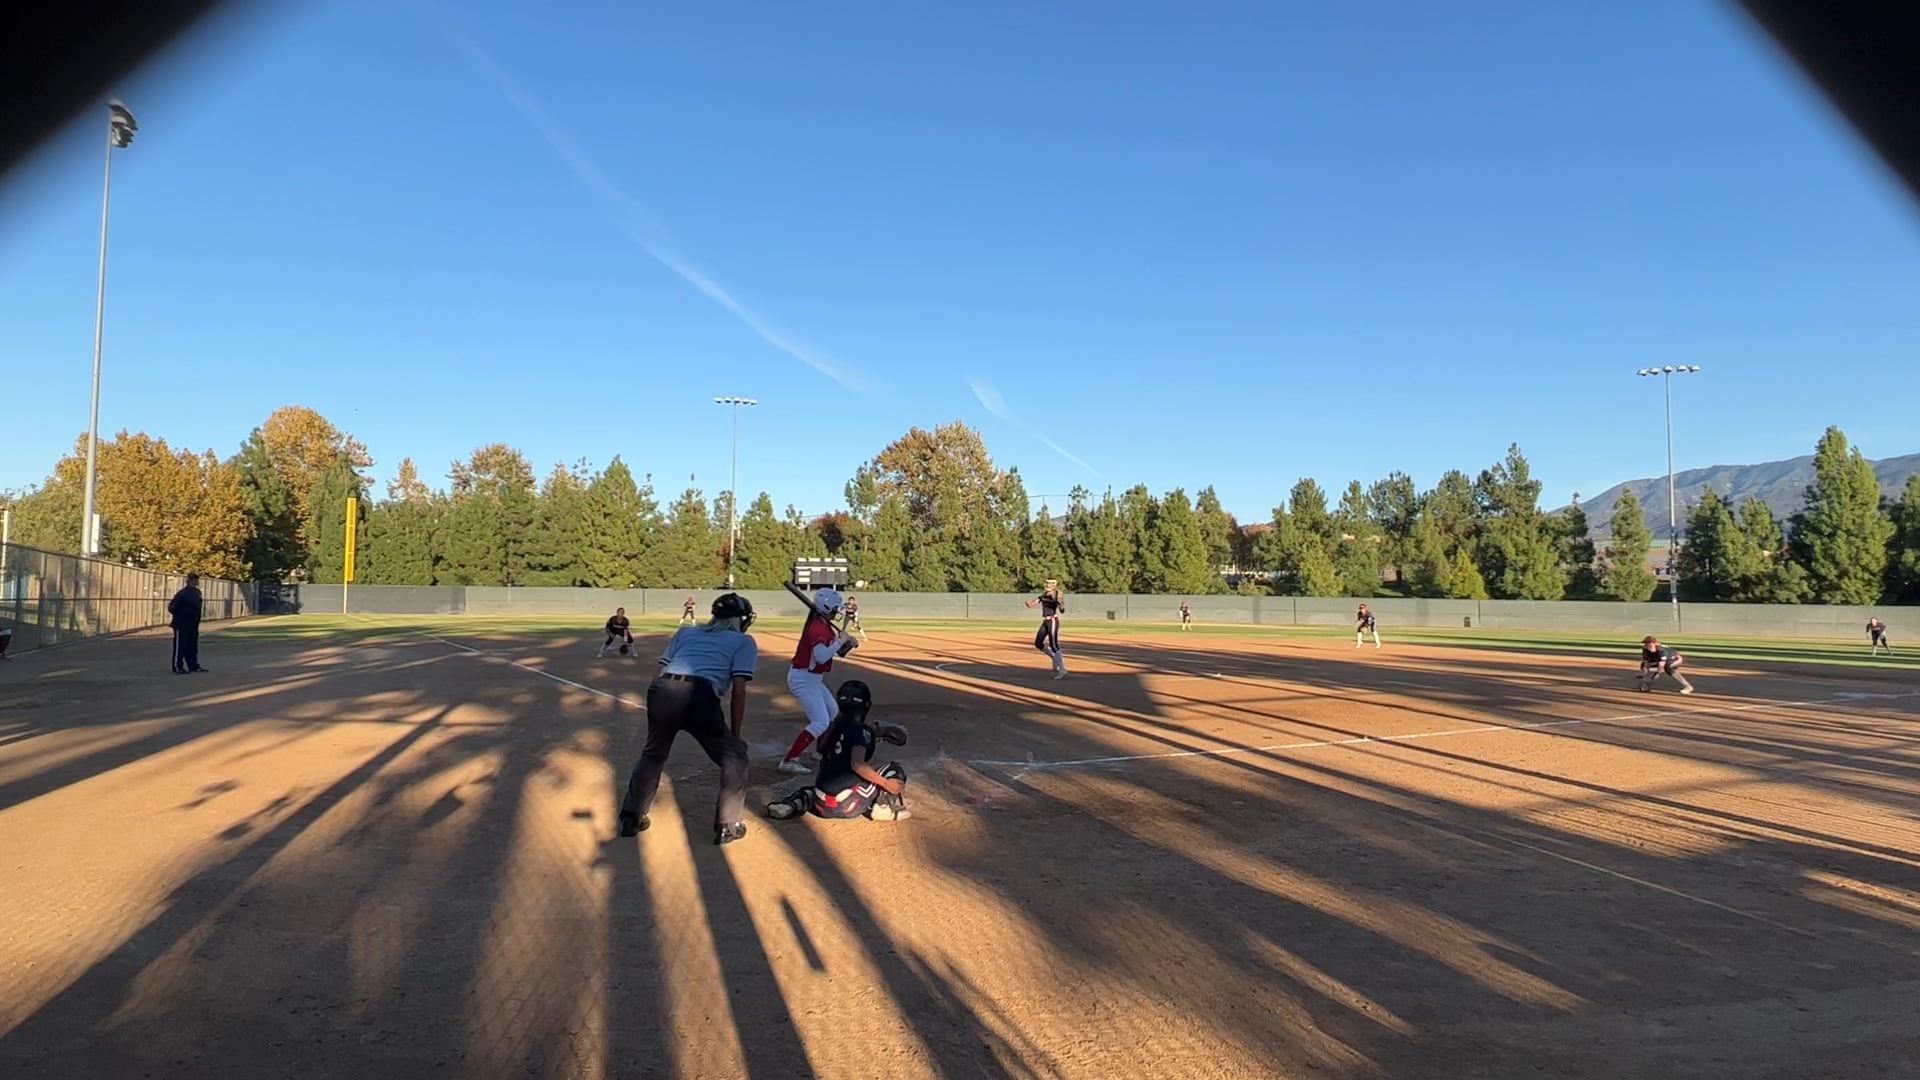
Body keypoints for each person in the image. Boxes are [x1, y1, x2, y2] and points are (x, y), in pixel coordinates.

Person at [618, 592, 759, 845]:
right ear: (740, 619)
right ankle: (728, 825)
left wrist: (656, 708)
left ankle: (631, 816)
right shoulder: (744, 641)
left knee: (653, 754)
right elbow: (738, 691)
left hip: (662, 690)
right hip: (699, 696)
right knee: (735, 758)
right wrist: (735, 735)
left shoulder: (686, 633)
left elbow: (658, 674)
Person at [765, 680, 911, 823]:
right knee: (893, 770)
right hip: (847, 805)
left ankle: (791, 805)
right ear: (866, 705)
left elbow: (823, 748)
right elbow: (858, 765)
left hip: (821, 802)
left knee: (808, 792)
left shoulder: (831, 726)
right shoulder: (862, 731)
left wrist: (870, 734)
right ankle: (884, 808)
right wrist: (885, 783)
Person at [777, 587, 856, 774]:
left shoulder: (823, 624)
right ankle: (789, 760)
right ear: (827, 608)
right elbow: (820, 657)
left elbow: (836, 651)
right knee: (820, 721)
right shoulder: (817, 627)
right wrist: (839, 641)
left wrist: (847, 643)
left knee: (832, 712)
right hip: (803, 679)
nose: (837, 611)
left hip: (812, 678)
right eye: (835, 608)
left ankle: (820, 752)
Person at [1026, 579, 1067, 679]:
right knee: (1038, 643)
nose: (1047, 585)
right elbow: (1033, 603)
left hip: (1053, 620)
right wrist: (1028, 603)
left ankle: (1062, 669)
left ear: (1054, 585)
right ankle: (1054, 658)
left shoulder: (1056, 595)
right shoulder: (1044, 595)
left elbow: (1062, 610)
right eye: (1047, 583)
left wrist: (1060, 604)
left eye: (1049, 584)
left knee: (1053, 644)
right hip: (1045, 621)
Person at [168, 573, 206, 675]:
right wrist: (181, 615)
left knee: (192, 646)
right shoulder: (182, 593)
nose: (195, 581)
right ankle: (178, 666)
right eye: (192, 579)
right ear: (188, 580)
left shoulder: (197, 593)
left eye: (196, 580)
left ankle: (193, 665)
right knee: (181, 646)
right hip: (182, 624)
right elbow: (172, 607)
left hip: (193, 624)